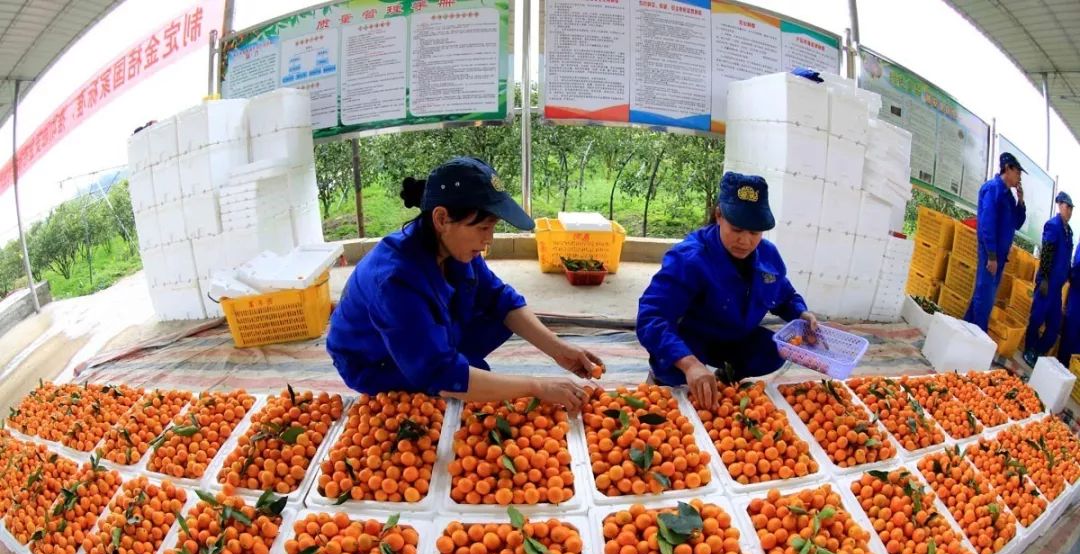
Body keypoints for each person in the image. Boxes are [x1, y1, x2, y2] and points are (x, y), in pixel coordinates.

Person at [326, 157, 602, 411]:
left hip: (422, 333)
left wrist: (559, 350)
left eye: (492, 228)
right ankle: (458, 374)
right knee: (449, 382)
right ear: (442, 218)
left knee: (493, 315)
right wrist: (536, 386)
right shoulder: (394, 281)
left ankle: (465, 370)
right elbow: (440, 372)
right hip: (377, 360)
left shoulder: (451, 247)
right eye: (483, 228)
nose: (489, 239)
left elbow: (499, 298)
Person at [637, 172, 820, 409]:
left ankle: (726, 382)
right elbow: (652, 316)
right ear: (719, 215)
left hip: (736, 338)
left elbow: (783, 294)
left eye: (754, 233)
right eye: (737, 229)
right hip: (694, 340)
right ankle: (664, 378)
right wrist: (690, 364)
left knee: (774, 349)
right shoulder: (690, 258)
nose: (745, 241)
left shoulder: (768, 256)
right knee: (674, 370)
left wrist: (801, 313)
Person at [965, 152, 1027, 331]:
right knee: (984, 298)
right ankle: (977, 338)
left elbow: (1017, 223)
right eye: (1018, 172)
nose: (1019, 177)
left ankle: (966, 329)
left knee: (984, 295)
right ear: (1007, 169)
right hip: (990, 254)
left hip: (999, 257)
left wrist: (1021, 201)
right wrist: (991, 255)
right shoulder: (992, 189)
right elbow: (987, 224)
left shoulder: (1008, 196)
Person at [1024, 192, 1073, 366]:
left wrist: (1069, 275)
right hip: (1047, 283)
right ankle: (1029, 349)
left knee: (1054, 325)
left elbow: (1067, 258)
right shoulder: (1053, 226)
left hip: (1057, 287)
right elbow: (1046, 252)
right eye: (1067, 207)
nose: (1069, 211)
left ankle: (1038, 351)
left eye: (1071, 208)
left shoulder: (1069, 232)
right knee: (1037, 318)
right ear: (1059, 205)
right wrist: (1044, 277)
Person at [1057, 241, 1080, 369]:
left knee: (1071, 330)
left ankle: (1062, 365)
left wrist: (1070, 275)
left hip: (1078, 294)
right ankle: (1073, 369)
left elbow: (1078, 266)